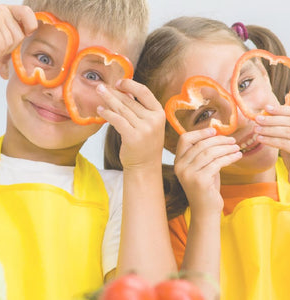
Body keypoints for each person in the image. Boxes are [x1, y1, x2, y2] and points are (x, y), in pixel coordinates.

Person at [0, 1, 177, 299]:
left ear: (124, 96)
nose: (58, 90)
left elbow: (153, 294)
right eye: (44, 57)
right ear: (6, 57)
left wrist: (144, 167)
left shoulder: (122, 197)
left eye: (93, 76)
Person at [104, 16, 290, 300]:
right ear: (168, 141)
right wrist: (205, 214)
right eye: (204, 114)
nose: (240, 117)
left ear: (264, 71)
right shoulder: (175, 224)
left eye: (244, 84)